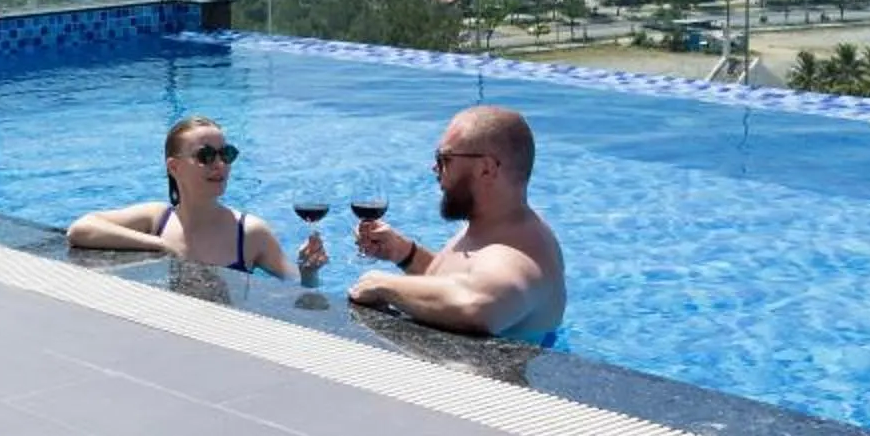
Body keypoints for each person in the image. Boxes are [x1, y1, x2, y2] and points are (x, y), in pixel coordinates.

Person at [347, 104, 566, 339]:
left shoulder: (515, 254)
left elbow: (478, 305)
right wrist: (406, 254)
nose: (435, 168)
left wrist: (383, 285)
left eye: (445, 159)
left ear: (486, 169)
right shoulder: (496, 223)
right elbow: (463, 283)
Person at [68, 114, 302, 279]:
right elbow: (81, 229)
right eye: (206, 156)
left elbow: (299, 291)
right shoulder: (157, 219)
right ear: (174, 167)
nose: (220, 164)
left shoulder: (251, 232)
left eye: (226, 154)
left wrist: (309, 271)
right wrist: (161, 245)